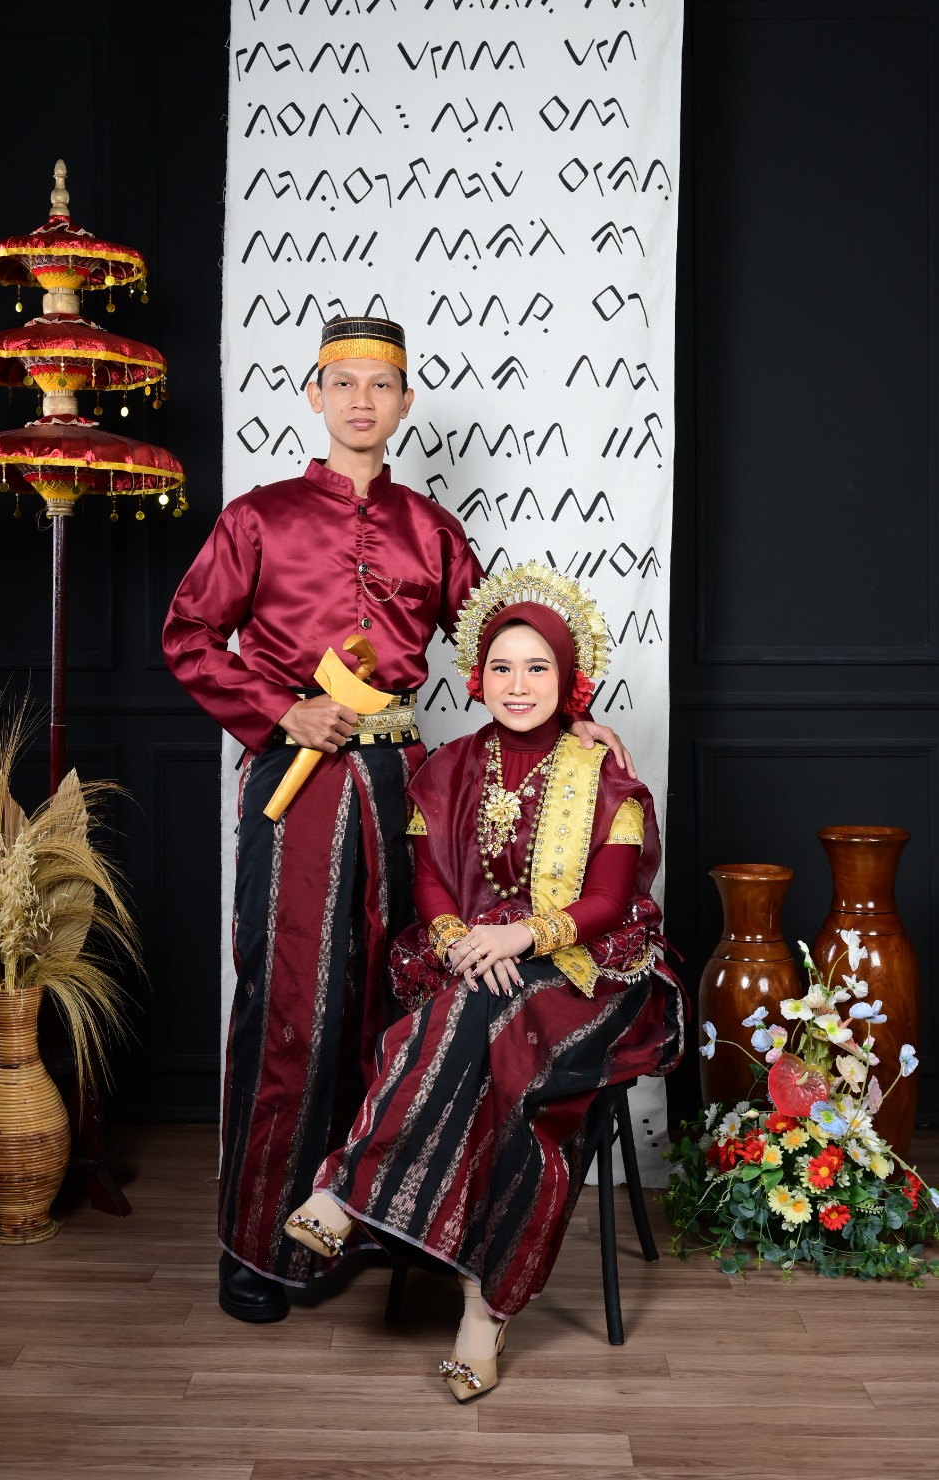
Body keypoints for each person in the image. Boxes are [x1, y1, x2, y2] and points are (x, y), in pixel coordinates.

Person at [162, 319, 634, 1323]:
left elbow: (504, 643)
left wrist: (581, 719)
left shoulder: (432, 530)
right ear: (313, 394)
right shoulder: (257, 518)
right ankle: (258, 1244)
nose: (361, 401)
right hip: (299, 778)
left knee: (395, 992)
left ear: (406, 401)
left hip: (408, 788)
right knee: (293, 1001)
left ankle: (363, 1218)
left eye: (381, 385)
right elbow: (188, 634)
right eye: (343, 383)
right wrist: (279, 709)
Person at [284, 563, 684, 1398]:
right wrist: (462, 937)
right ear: (477, 675)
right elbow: (430, 879)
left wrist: (519, 934)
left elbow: (609, 901)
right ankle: (482, 1307)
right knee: (487, 1031)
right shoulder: (449, 767)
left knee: (485, 1024)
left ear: (570, 680)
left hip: (590, 974)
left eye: (538, 667)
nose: (519, 684)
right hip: (478, 958)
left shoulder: (605, 776)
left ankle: (351, 1190)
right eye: (502, 667)